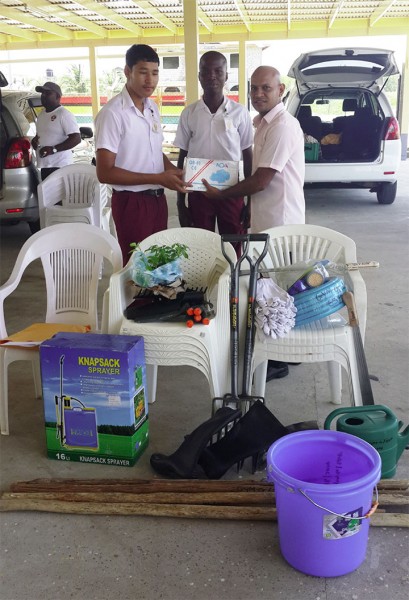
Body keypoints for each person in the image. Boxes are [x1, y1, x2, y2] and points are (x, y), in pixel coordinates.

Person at [203, 65, 306, 380]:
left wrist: (223, 196)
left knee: (281, 289)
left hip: (281, 220)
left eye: (266, 88)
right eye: (254, 88)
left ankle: (284, 356)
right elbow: (256, 178)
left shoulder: (283, 126)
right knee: (268, 286)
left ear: (281, 91)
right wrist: (247, 207)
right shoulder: (260, 124)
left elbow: (261, 179)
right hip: (264, 217)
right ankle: (278, 349)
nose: (259, 94)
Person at [94, 44, 186, 265]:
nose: (150, 80)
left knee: (159, 267)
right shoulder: (113, 114)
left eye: (155, 73)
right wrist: (157, 178)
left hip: (157, 201)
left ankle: (155, 302)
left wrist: (172, 171)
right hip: (131, 203)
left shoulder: (152, 108)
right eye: (143, 72)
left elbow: (155, 151)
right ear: (128, 72)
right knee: (138, 270)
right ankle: (136, 302)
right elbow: (105, 172)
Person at [174, 51, 253, 254]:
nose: (212, 76)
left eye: (218, 71)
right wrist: (180, 203)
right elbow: (182, 157)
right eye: (206, 71)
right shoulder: (189, 113)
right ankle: (207, 285)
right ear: (199, 76)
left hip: (232, 191)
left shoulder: (240, 112)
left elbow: (248, 155)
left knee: (233, 245)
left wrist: (249, 201)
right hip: (198, 191)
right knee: (201, 246)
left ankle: (232, 284)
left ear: (226, 76)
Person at [31, 81, 81, 181]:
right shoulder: (41, 115)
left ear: (58, 97)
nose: (43, 96)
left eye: (48, 93)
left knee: (60, 196)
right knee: (48, 196)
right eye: (42, 93)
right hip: (45, 165)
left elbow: (76, 138)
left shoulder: (63, 114)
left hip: (60, 166)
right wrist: (35, 141)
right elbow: (43, 134)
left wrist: (53, 149)